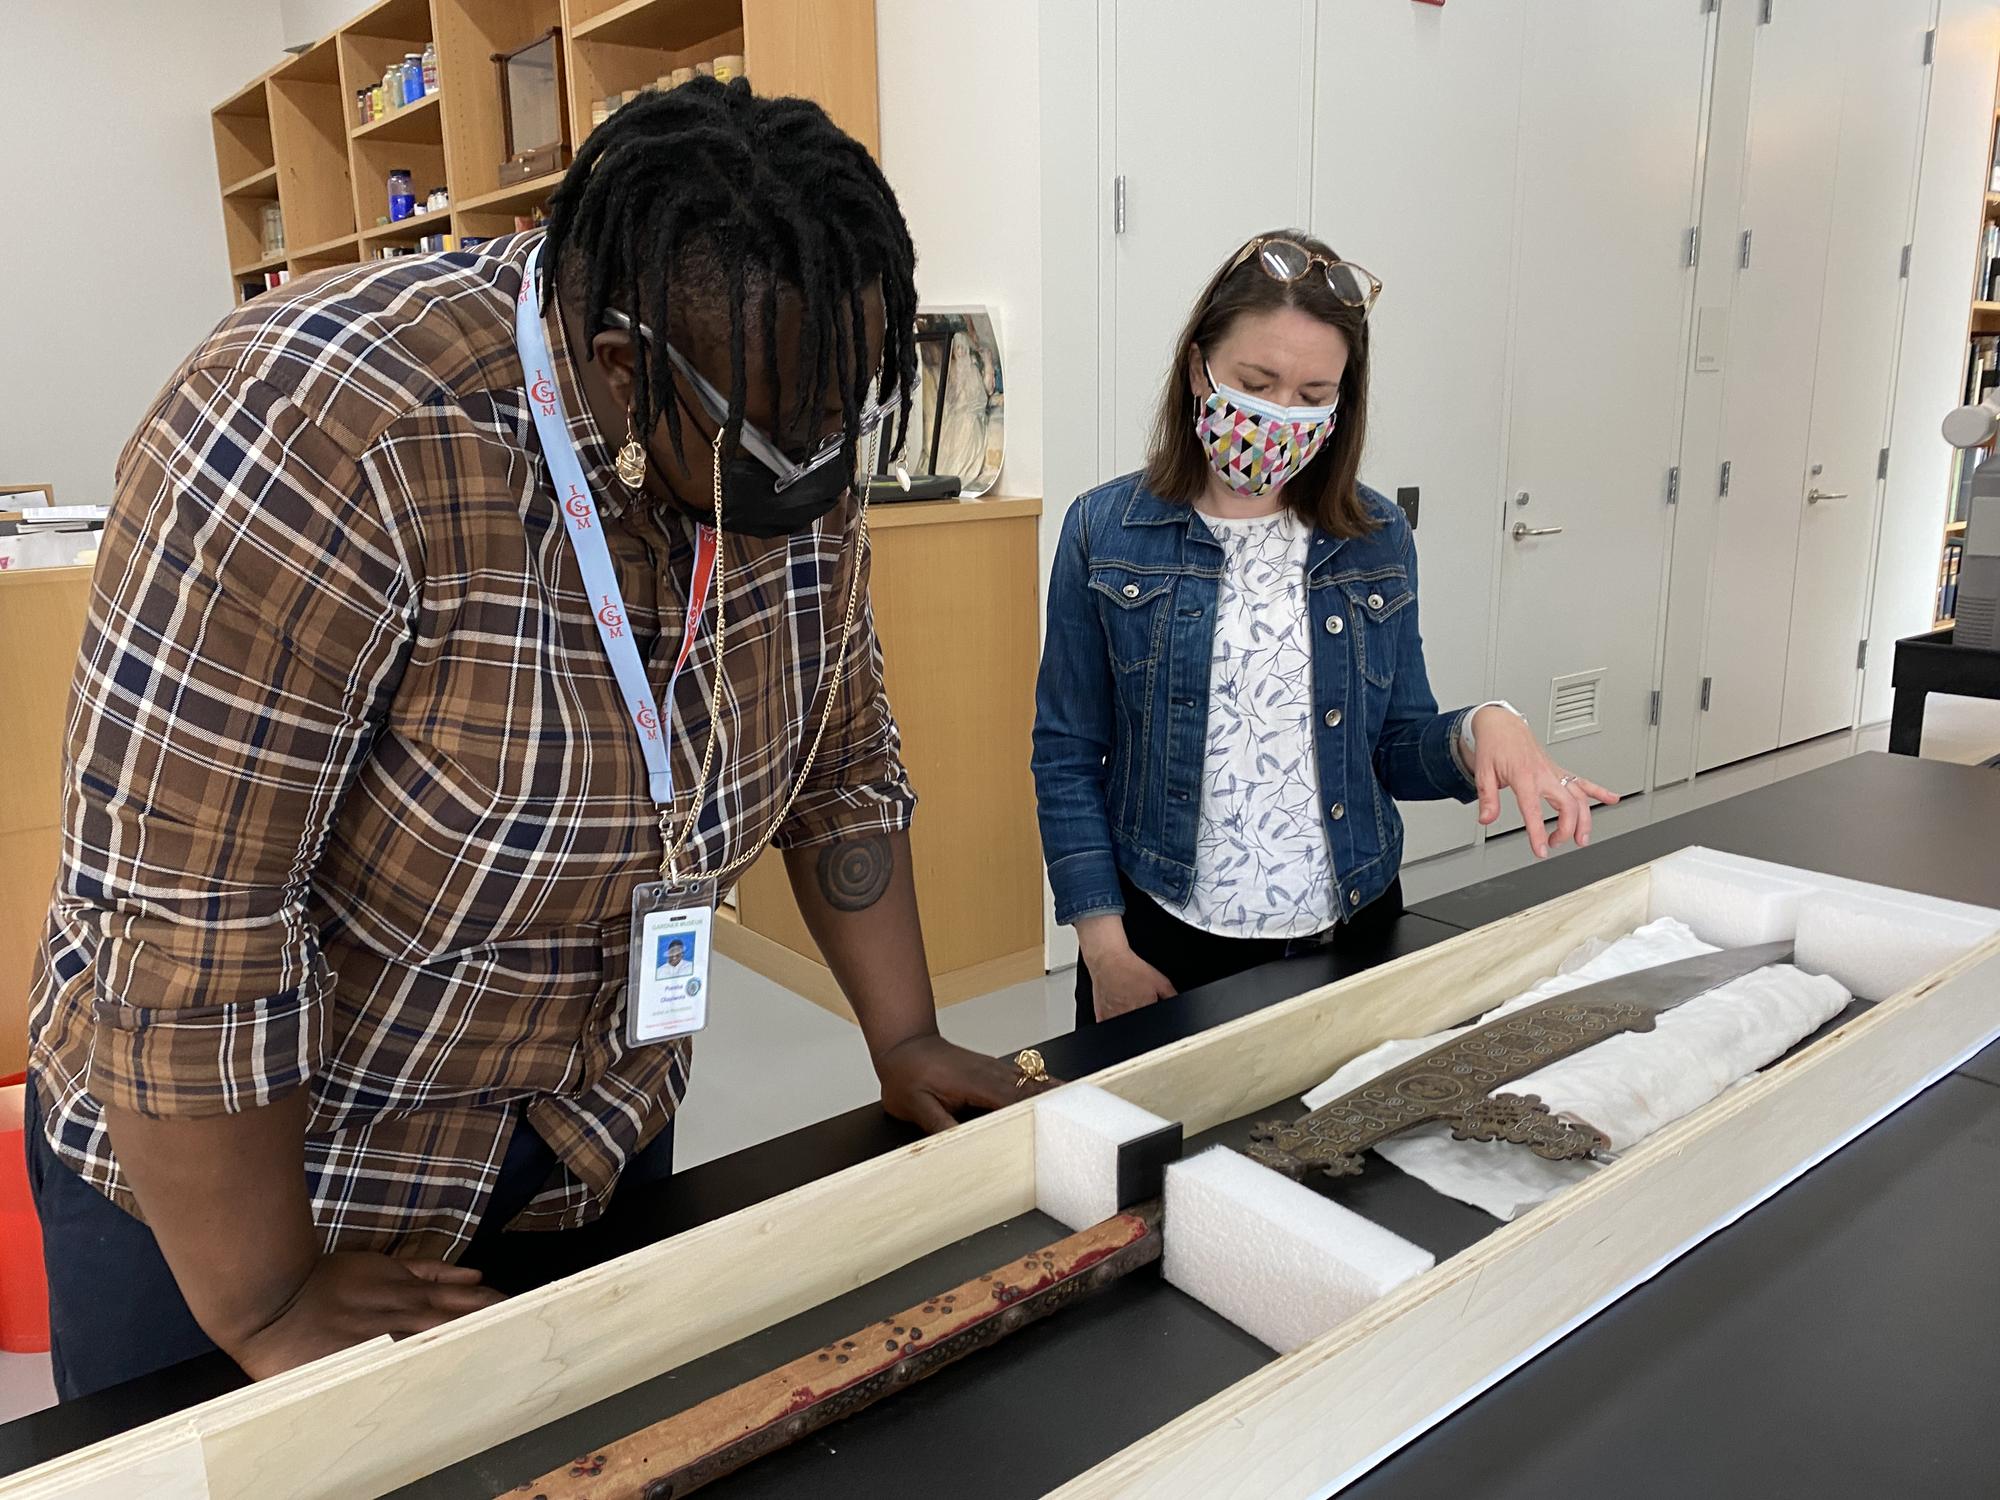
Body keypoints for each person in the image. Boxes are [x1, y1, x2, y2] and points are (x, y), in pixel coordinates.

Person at [25, 78, 1037, 1402]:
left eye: (842, 433)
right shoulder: (317, 434)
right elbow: (195, 932)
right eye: (781, 447)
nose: (819, 488)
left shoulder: (776, 412)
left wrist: (904, 1039)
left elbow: (842, 758)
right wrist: (268, 1302)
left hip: (590, 1135)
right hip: (264, 1192)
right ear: (621, 368)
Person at [1033, 230, 1616, 1028]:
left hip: (1351, 925)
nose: (1281, 415)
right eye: (1257, 382)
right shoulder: (1105, 529)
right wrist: (1104, 948)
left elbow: (1394, 744)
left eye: (1313, 396)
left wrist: (1484, 729)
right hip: (1163, 939)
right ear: (1198, 365)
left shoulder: (1374, 535)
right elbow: (1066, 753)